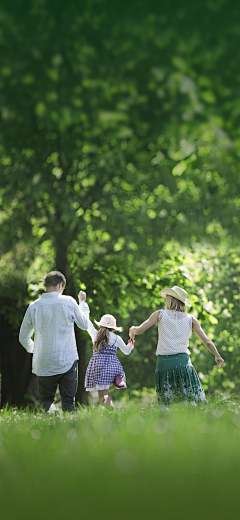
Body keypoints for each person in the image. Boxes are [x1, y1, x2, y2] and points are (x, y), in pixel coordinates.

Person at [129, 285, 225, 405]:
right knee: (189, 400)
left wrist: (132, 330)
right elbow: (207, 341)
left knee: (168, 403)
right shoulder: (191, 319)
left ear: (172, 299)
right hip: (183, 363)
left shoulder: (159, 314)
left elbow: (138, 330)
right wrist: (217, 355)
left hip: (164, 363)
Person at [19, 271, 89, 412]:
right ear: (60, 285)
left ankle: (48, 428)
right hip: (67, 360)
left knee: (46, 401)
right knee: (69, 402)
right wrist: (82, 305)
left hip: (44, 361)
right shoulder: (69, 302)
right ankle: (70, 431)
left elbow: (23, 337)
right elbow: (84, 324)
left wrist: (34, 349)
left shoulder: (34, 306)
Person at [85, 314, 134, 409]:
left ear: (100, 326)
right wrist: (131, 343)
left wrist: (83, 306)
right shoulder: (116, 338)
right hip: (112, 369)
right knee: (105, 395)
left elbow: (87, 323)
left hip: (98, 368)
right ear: (114, 329)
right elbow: (127, 351)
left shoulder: (95, 335)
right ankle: (116, 382)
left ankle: (113, 411)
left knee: (101, 400)